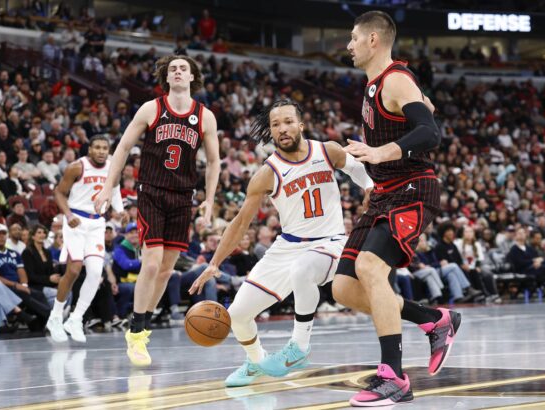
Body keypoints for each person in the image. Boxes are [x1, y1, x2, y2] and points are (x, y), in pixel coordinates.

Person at [189, 99, 374, 387]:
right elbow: (240, 223)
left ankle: (299, 347)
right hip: (288, 245)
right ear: (271, 132)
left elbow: (356, 169)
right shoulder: (267, 172)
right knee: (237, 315)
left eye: (288, 122)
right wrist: (214, 263)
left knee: (303, 269)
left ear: (300, 124)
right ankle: (254, 361)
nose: (282, 129)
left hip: (331, 241)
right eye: (276, 124)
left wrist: (371, 188)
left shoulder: (327, 151)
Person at [332, 11, 460, 406]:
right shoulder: (378, 85)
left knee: (371, 268)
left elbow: (429, 132)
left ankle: (394, 377)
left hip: (412, 189)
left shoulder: (396, 78)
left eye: (354, 38)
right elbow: (429, 109)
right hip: (386, 191)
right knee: (343, 287)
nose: (349, 45)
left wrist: (378, 152)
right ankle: (433, 318)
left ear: (373, 39)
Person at [95, 55, 220, 366]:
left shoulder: (205, 117)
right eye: (172, 69)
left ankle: (143, 322)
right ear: (167, 77)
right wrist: (109, 186)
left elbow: (215, 162)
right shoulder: (151, 108)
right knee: (150, 265)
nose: (177, 72)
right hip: (151, 192)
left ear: (193, 77)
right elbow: (122, 147)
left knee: (166, 270)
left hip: (182, 198)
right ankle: (137, 331)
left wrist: (210, 199)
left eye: (183, 69)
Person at [45, 136, 124, 343]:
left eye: (104, 148)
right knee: (73, 269)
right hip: (76, 221)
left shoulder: (113, 168)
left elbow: (114, 190)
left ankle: (75, 318)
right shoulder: (76, 167)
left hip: (97, 223)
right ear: (90, 149)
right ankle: (55, 317)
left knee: (97, 273)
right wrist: (68, 215)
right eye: (97, 147)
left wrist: (120, 210)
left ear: (108, 151)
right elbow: (59, 193)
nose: (100, 151)